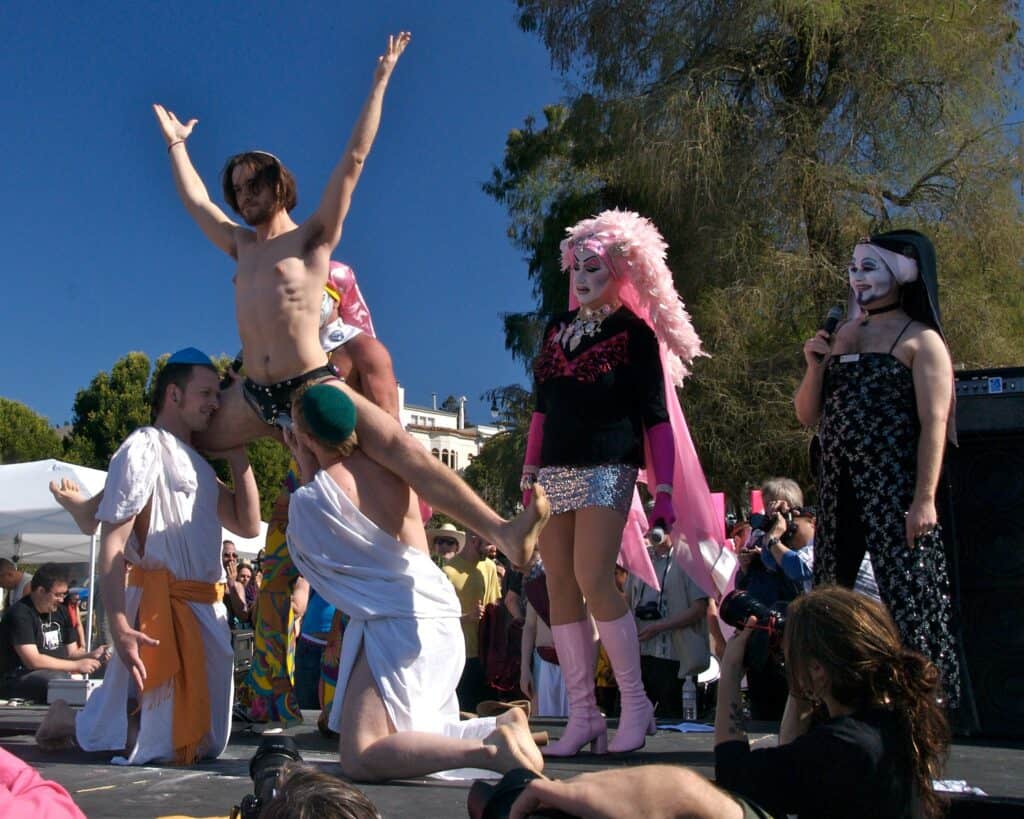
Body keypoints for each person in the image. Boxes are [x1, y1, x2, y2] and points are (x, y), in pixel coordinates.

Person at [282, 384, 544, 781]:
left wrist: (305, 465)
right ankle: (496, 727)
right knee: (413, 734)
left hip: (400, 627)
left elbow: (312, 546)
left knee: (361, 753)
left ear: (304, 436)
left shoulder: (314, 497)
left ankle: (489, 751)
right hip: (435, 618)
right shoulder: (389, 473)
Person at [520, 209, 709, 755]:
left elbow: (656, 417)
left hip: (610, 464)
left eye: (594, 268)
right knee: (557, 584)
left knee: (593, 577)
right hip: (555, 469)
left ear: (618, 272)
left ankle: (635, 703)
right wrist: (529, 470)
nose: (581, 277)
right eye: (575, 267)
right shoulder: (556, 329)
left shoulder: (634, 334)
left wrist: (665, 491)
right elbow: (541, 410)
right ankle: (583, 716)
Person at [510, 586, 951, 819]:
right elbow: (789, 760)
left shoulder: (844, 747)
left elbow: (736, 774)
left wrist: (730, 676)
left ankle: (540, 796)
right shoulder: (893, 722)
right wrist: (801, 693)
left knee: (689, 793)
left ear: (818, 670)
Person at [35, 347, 261, 765]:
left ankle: (89, 511)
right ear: (173, 395)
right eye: (206, 393)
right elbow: (114, 546)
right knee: (159, 743)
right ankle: (66, 721)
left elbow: (248, 525)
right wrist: (118, 624)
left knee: (205, 741)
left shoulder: (199, 465)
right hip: (160, 612)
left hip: (206, 616)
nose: (215, 403)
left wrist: (237, 451)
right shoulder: (142, 446)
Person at [795, 230, 961, 706]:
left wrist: (923, 498)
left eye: (870, 268)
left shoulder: (921, 341)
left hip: (894, 487)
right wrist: (814, 366)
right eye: (854, 269)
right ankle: (828, 707)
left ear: (900, 273)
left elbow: (935, 424)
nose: (858, 278)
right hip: (839, 485)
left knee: (908, 596)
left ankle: (920, 711)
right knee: (831, 596)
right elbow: (808, 414)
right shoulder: (842, 333)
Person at [625, 536, 709, 720]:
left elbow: (699, 608)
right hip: (642, 655)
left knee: (675, 720)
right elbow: (627, 600)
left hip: (676, 658)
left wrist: (661, 626)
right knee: (638, 722)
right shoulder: (640, 558)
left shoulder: (689, 557)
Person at [0, 563, 109, 702]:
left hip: (57, 674)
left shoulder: (62, 611)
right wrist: (77, 665)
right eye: (57, 595)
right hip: (17, 677)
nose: (62, 599)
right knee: (58, 681)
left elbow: (72, 653)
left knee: (88, 680)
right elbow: (33, 661)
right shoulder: (20, 614)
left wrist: (92, 654)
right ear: (40, 591)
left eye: (64, 594)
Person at [442, 531, 503, 712]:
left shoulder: (489, 567)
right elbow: (439, 621)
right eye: (490, 542)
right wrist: (469, 617)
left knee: (489, 714)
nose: (495, 548)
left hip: (487, 657)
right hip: (461, 657)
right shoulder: (447, 573)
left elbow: (495, 604)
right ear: (474, 540)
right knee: (465, 714)